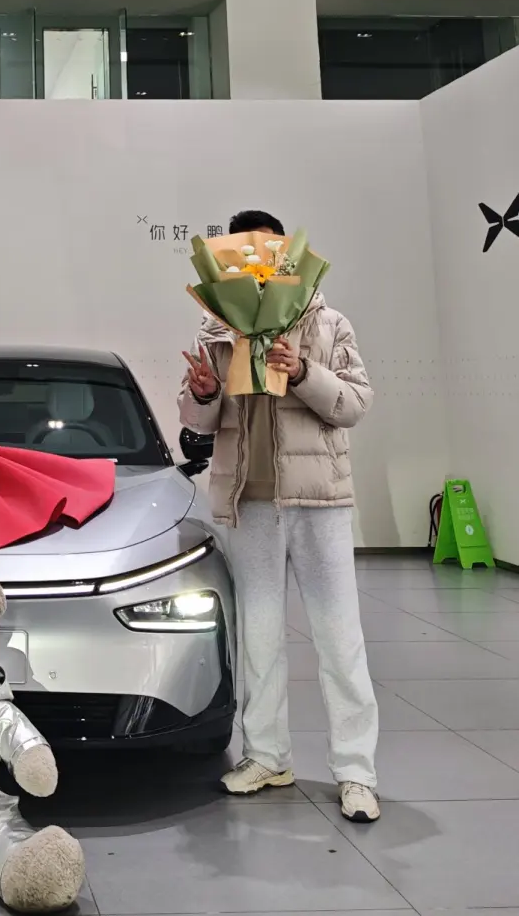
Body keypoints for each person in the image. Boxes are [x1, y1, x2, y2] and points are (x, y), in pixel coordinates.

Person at [179, 209, 380, 824]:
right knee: (260, 637)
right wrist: (203, 394)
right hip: (250, 503)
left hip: (319, 502)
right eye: (244, 252)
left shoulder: (327, 321)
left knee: (339, 637)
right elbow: (199, 421)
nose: (257, 263)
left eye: (267, 250)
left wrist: (305, 373)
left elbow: (354, 404)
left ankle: (356, 771)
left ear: (286, 254)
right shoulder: (217, 328)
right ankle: (267, 755)